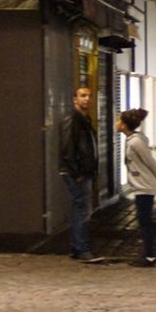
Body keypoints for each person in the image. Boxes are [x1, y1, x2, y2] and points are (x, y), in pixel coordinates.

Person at [118, 106, 156, 266]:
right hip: (141, 186)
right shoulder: (134, 140)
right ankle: (148, 254)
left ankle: (149, 255)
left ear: (124, 125)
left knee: (145, 221)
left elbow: (151, 162)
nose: (117, 123)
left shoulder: (136, 143)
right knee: (143, 220)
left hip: (144, 187)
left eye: (119, 120)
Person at [58, 84, 102, 261]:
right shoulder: (73, 119)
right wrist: (76, 172)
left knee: (80, 209)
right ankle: (82, 249)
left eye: (89, 96)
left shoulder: (84, 119)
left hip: (82, 171)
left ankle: (77, 248)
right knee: (82, 209)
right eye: (82, 96)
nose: (86, 99)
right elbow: (67, 147)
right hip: (77, 172)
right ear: (74, 99)